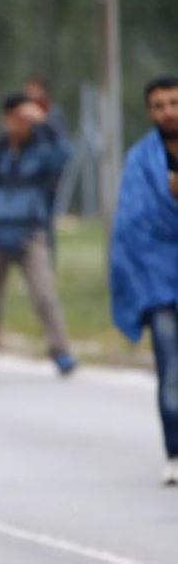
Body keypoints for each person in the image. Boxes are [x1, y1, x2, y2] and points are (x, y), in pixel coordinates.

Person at [0, 93, 76, 379]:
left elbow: (65, 156)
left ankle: (61, 351)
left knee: (44, 296)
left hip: (30, 231)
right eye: (13, 118)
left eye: (24, 118)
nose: (18, 124)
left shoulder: (42, 148)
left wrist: (45, 124)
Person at [109, 76, 178, 484]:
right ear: (149, 111)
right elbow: (133, 225)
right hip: (158, 281)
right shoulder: (140, 161)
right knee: (171, 369)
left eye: (174, 102)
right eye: (159, 105)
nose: (168, 111)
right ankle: (174, 450)